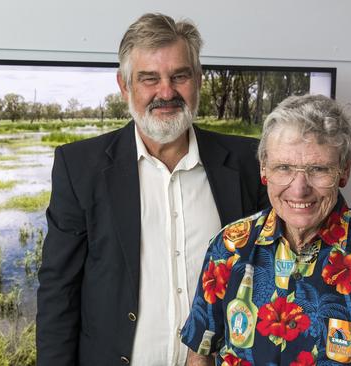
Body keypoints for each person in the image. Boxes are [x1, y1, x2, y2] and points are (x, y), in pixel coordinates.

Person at [36, 13, 269, 366]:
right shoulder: (79, 167)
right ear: (125, 85)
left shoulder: (247, 162)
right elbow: (59, 290)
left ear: (198, 80)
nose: (166, 92)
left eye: (180, 76)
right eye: (149, 79)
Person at [181, 94, 351, 365]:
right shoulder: (229, 247)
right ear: (264, 170)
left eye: (318, 169)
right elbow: (200, 353)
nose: (299, 189)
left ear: (344, 171)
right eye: (283, 168)